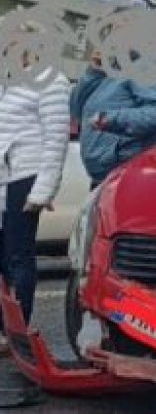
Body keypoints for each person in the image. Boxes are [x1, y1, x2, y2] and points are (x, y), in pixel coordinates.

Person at [0, 44, 70, 407]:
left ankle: (18, 331)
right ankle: (4, 329)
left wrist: (44, 189)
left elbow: (56, 139)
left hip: (26, 175)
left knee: (19, 256)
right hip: (3, 175)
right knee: (3, 259)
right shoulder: (8, 80)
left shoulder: (50, 80)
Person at [72, 51, 156, 189]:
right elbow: (77, 110)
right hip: (107, 177)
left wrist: (110, 119)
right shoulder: (112, 71)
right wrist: (94, 72)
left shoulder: (148, 65)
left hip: (132, 175)